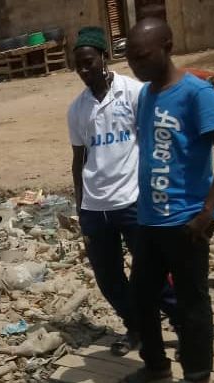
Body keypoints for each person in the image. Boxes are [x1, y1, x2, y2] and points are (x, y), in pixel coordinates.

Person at [119, 19, 214, 383]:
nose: (135, 65)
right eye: (131, 59)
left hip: (187, 220)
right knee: (141, 297)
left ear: (167, 46)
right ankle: (155, 365)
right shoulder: (148, 95)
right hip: (150, 218)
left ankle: (199, 376)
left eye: (142, 56)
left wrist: (207, 210)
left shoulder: (196, 92)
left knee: (191, 301)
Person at [68, 26, 148, 355]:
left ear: (104, 57)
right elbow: (78, 160)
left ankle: (187, 324)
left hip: (132, 201)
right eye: (79, 66)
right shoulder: (77, 109)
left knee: (152, 272)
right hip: (94, 208)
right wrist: (80, 206)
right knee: (108, 278)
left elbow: (153, 144)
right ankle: (136, 327)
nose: (84, 71)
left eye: (89, 63)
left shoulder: (134, 93)